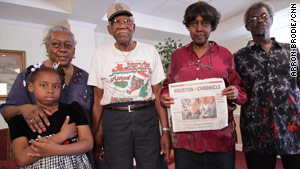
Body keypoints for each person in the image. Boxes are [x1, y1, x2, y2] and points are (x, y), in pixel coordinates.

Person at [160, 1, 246, 169]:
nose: (199, 29)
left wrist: (235, 93)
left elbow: (240, 90)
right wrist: (164, 95)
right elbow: (167, 85)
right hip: (186, 140)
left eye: (205, 23)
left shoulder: (225, 55)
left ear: (212, 26)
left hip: (220, 139)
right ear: (188, 26)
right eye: (194, 24)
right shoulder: (177, 56)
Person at [88, 2, 170, 169]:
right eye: (116, 22)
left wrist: (166, 130)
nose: (122, 25)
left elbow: (157, 92)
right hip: (114, 118)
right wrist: (97, 132)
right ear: (109, 30)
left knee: (151, 165)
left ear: (134, 27)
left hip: (146, 116)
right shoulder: (100, 55)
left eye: (127, 21)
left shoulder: (150, 51)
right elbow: (97, 99)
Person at [0, 26, 96, 168]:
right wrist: (23, 109)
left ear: (74, 50)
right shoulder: (30, 76)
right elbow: (8, 110)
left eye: (68, 45)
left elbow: (94, 112)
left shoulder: (85, 77)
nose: (62, 49)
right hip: (40, 158)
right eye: (56, 44)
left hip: (78, 152)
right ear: (47, 47)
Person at [234, 2, 300, 169]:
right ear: (247, 26)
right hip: (257, 131)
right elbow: (237, 91)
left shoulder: (291, 51)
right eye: (254, 18)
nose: (259, 20)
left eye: (264, 16)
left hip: (293, 128)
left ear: (271, 19)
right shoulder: (240, 57)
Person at [8, 65, 93, 168]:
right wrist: (62, 135)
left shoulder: (73, 110)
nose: (50, 90)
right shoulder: (19, 119)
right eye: (44, 85)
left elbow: (88, 143)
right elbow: (22, 159)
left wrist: (57, 150)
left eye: (56, 86)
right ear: (31, 87)